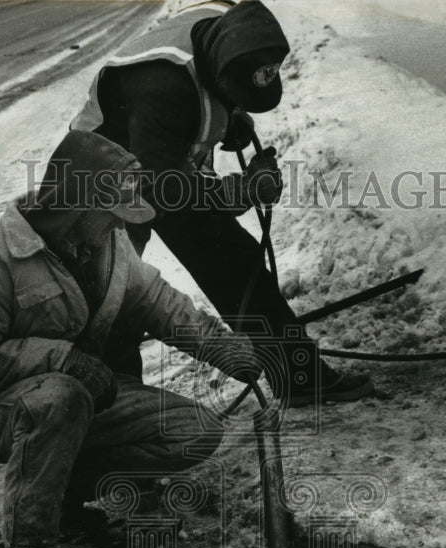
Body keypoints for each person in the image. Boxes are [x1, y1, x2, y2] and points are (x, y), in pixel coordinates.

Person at [0, 130, 257, 548]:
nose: (119, 227)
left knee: (194, 431)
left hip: (74, 401)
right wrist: (61, 358)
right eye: (112, 216)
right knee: (60, 397)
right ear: (79, 205)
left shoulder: (108, 243)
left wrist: (222, 348)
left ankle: (62, 499)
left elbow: (157, 302)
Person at [69, 0, 373, 406]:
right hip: (98, 183)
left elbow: (205, 98)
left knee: (236, 260)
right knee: (114, 298)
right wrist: (239, 192)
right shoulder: (161, 85)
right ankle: (114, 415)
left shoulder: (223, 24)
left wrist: (232, 118)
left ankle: (300, 378)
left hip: (153, 158)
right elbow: (163, 189)